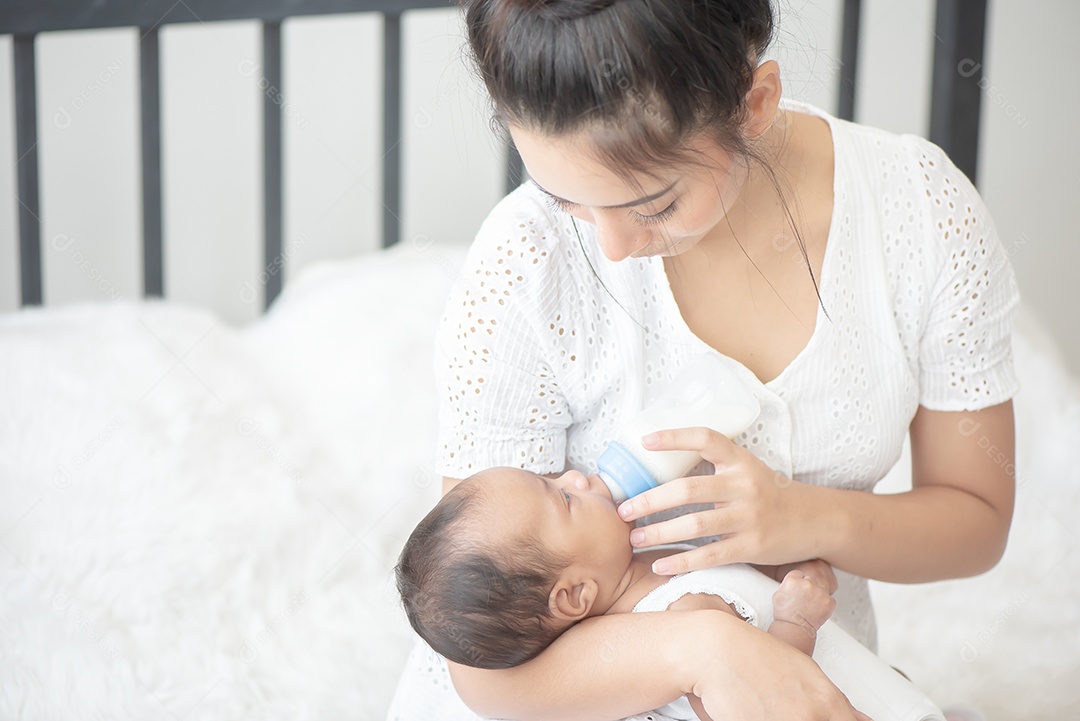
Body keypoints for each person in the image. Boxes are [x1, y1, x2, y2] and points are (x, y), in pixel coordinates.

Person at [386, 0, 1019, 718]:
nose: (612, 249)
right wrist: (705, 649)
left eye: (652, 204)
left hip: (806, 677)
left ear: (755, 103)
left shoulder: (921, 219)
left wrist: (802, 517)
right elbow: (483, 668)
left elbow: (976, 520)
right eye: (568, 201)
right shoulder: (525, 262)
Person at [395, 465, 843, 721]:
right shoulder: (676, 615)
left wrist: (783, 563)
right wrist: (795, 622)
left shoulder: (647, 562)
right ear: (573, 596)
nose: (577, 476)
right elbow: (755, 708)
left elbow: (739, 577)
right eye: (564, 498)